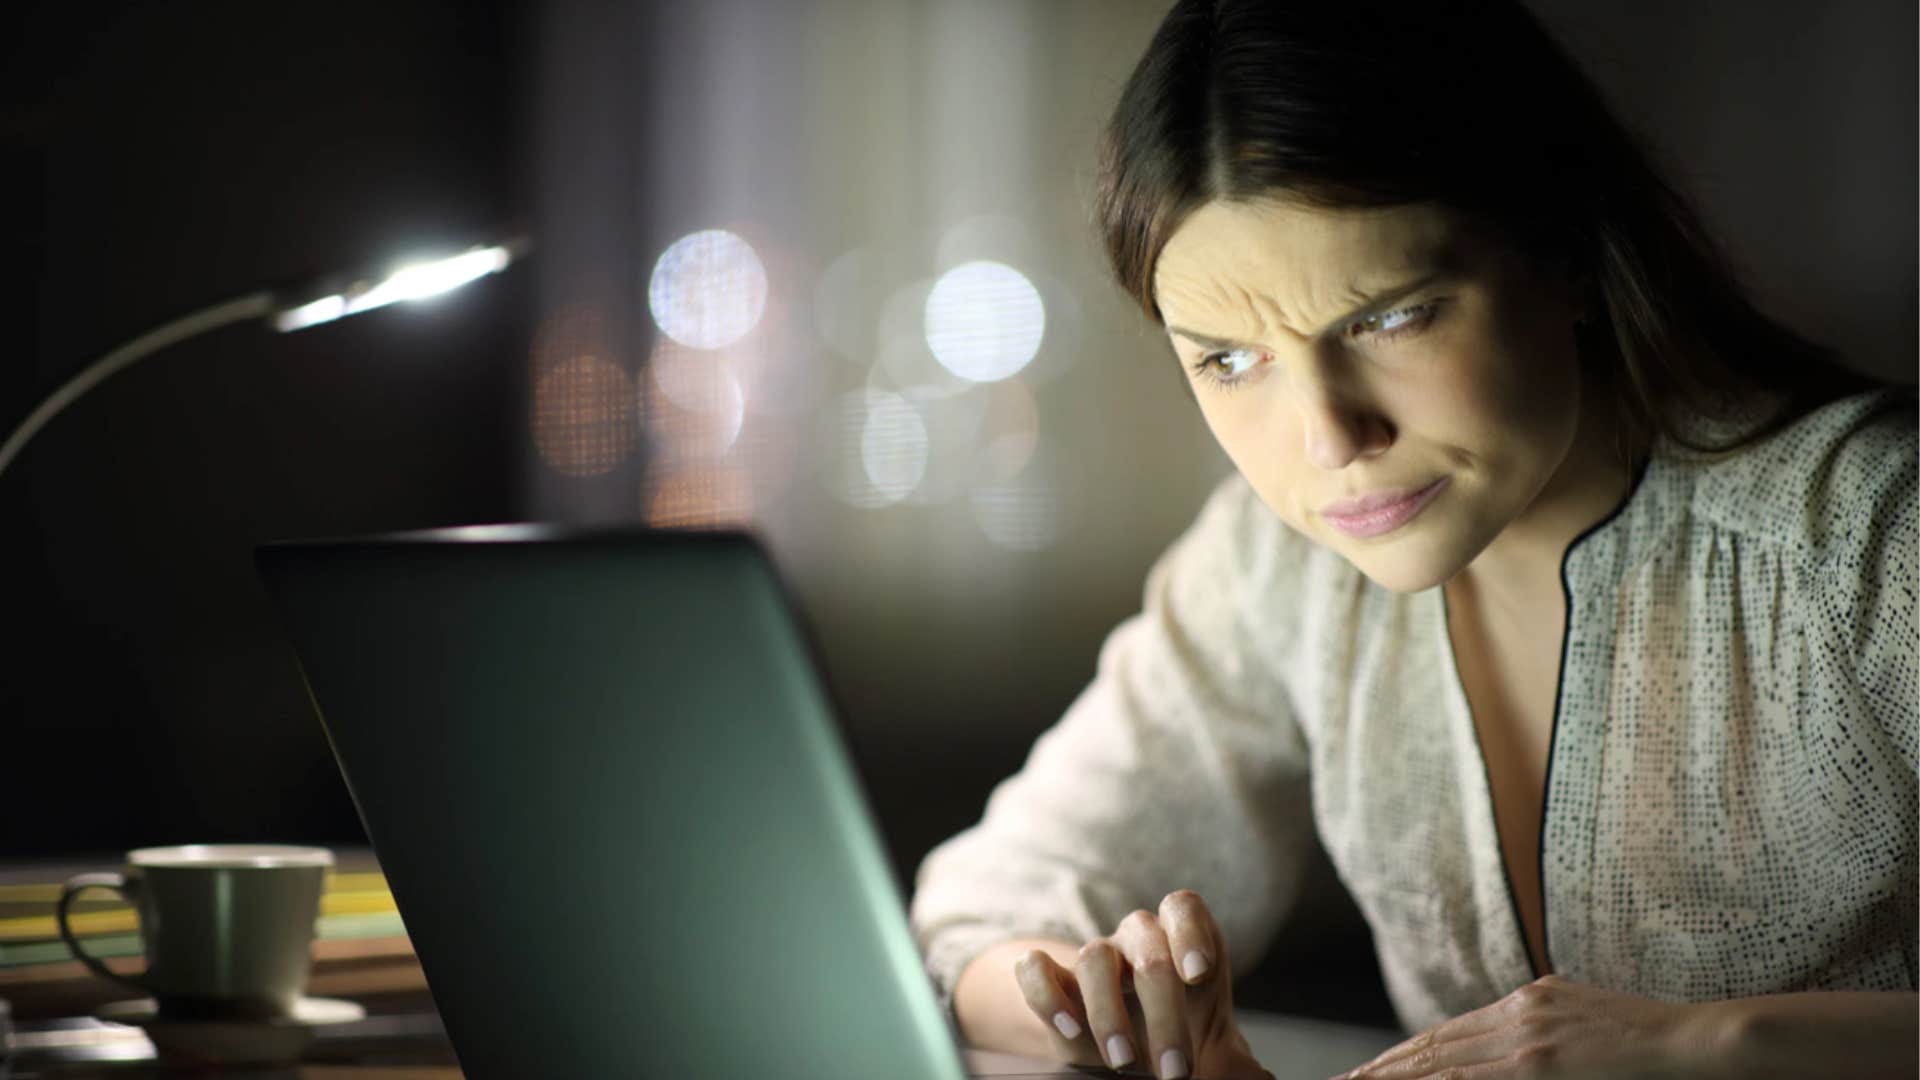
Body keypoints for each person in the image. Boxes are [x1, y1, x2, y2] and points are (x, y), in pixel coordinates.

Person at [907, 1, 1918, 1078]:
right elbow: (982, 914)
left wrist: (1706, 1048)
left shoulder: (1868, 536)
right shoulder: (1278, 565)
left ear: (1564, 251)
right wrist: (1109, 1012)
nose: (1331, 438)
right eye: (1230, 361)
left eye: (1390, 318)